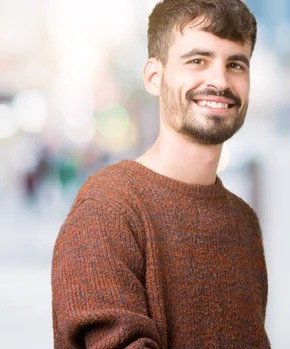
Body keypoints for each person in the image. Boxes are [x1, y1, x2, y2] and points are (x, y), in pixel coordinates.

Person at [51, 0, 270, 348]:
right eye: (198, 60)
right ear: (154, 76)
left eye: (236, 64)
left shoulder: (244, 221)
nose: (220, 80)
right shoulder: (108, 208)